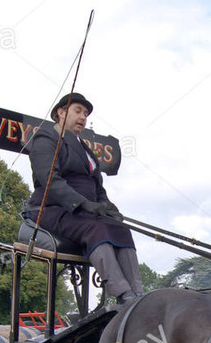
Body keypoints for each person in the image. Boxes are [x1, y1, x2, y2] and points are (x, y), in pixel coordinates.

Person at [24, 92, 143, 306]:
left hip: (83, 211)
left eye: (85, 113)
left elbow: (98, 189)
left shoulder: (86, 150)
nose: (82, 117)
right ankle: (122, 293)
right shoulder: (45, 139)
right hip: (52, 208)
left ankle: (137, 294)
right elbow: (50, 180)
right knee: (96, 229)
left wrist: (107, 208)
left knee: (120, 229)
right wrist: (82, 203)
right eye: (78, 111)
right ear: (61, 113)